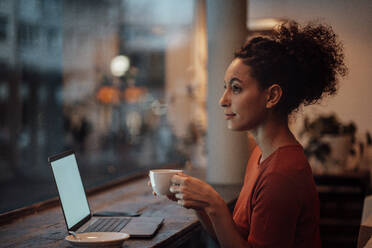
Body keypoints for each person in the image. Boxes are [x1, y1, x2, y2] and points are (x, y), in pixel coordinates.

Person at [155, 20, 347, 247]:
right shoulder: (260, 155)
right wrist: (202, 204)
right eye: (225, 87)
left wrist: (215, 203)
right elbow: (233, 238)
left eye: (235, 88)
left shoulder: (281, 175)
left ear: (272, 96)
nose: (223, 100)